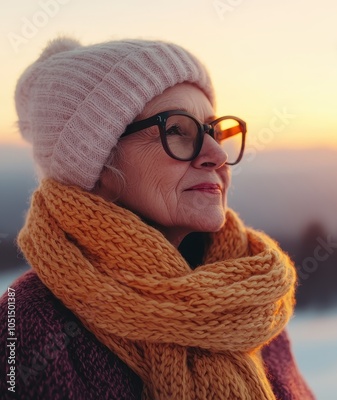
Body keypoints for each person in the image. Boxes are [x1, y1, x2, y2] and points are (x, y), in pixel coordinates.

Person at [0, 37, 315, 399]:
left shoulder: (251, 307)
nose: (216, 154)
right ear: (99, 166)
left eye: (213, 131)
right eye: (177, 130)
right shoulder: (29, 325)